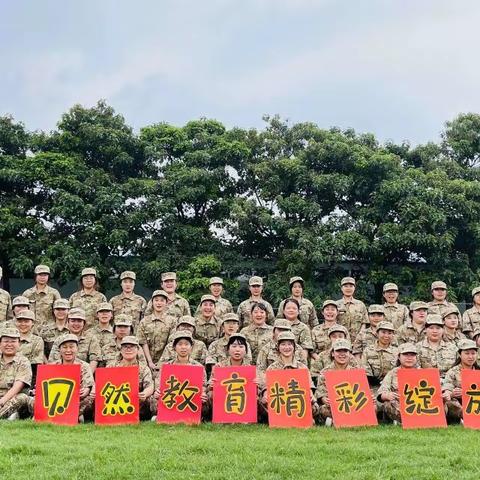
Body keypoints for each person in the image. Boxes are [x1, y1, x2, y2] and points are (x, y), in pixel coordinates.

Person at [150, 330, 208, 420]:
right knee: (154, 399)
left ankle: (195, 416)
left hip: (189, 399)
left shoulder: (198, 367)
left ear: (191, 347)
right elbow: (160, 385)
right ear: (174, 347)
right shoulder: (167, 367)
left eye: (186, 344)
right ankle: (165, 415)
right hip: (173, 400)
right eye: (180, 344)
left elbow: (203, 385)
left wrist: (203, 393)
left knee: (205, 401)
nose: (183, 347)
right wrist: (158, 393)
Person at [261, 331, 317, 419]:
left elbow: (309, 387)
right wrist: (265, 395)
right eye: (283, 344)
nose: (286, 347)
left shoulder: (302, 368)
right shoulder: (272, 368)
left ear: (294, 347)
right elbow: (267, 388)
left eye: (289, 344)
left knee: (314, 407)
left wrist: (311, 396)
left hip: (297, 403)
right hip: (281, 403)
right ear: (278, 347)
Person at [51, 334, 95, 421]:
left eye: (71, 347)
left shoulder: (84, 366)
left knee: (90, 399)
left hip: (77, 399)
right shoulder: (52, 366)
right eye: (64, 347)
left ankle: (74, 415)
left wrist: (85, 391)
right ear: (59, 350)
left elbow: (88, 386)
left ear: (77, 349)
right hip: (56, 400)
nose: (68, 350)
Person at [315, 339, 358, 425]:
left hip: (353, 404)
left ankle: (339, 421)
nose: (342, 354)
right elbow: (321, 392)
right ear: (333, 353)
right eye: (338, 351)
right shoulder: (325, 372)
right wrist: (324, 399)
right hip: (333, 405)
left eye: (345, 351)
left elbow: (361, 392)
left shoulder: (356, 371)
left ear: (349, 354)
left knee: (372, 407)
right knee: (324, 409)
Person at [110, 336, 154, 420]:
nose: (128, 349)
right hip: (115, 401)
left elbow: (150, 386)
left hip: (137, 402)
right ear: (121, 350)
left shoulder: (143, 368)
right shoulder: (112, 366)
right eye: (125, 347)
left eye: (132, 347)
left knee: (150, 399)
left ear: (137, 350)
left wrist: (144, 393)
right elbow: (102, 384)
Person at [48, 307, 101, 373]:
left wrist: (86, 376)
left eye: (79, 321)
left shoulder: (91, 338)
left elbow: (94, 360)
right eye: (73, 321)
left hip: (83, 374)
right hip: (61, 375)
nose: (76, 324)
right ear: (68, 322)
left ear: (84, 323)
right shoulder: (60, 338)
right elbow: (53, 361)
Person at [377, 343, 418, 424]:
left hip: (418, 405)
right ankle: (405, 421)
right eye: (406, 355)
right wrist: (387, 395)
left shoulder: (423, 373)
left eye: (412, 355)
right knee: (388, 404)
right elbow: (381, 392)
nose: (409, 358)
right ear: (399, 357)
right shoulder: (393, 373)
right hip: (399, 404)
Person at [361, 321, 398, 410]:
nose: (386, 336)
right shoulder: (368, 351)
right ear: (377, 333)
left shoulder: (397, 351)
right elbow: (365, 373)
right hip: (374, 386)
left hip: (392, 387)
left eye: (390, 333)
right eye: (383, 332)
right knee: (372, 405)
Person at [442, 339, 480, 424]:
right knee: (450, 403)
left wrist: (466, 392)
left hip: (476, 401)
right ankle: (464, 418)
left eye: (473, 353)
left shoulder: (478, 370)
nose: (470, 357)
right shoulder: (453, 372)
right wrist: (452, 394)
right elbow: (447, 390)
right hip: (459, 403)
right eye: (467, 353)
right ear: (460, 354)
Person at [137, 290, 176, 371]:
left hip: (167, 362)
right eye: (156, 300)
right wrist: (149, 362)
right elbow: (142, 343)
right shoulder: (144, 321)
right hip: (147, 362)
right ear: (152, 302)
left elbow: (171, 343)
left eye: (162, 300)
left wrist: (161, 362)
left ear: (166, 303)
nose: (159, 303)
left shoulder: (172, 321)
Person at [0, 327, 32, 419]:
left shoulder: (23, 362)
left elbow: (18, 386)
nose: (9, 344)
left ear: (19, 343)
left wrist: (2, 401)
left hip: (13, 400)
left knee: (21, 398)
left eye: (13, 341)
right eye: (6, 341)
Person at [416, 314, 457, 378]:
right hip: (426, 382)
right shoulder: (417, 348)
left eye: (438, 328)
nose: (435, 331)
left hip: (448, 383)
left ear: (443, 330)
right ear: (425, 329)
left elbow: (457, 370)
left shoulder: (453, 348)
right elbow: (416, 369)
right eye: (431, 328)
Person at [336, 277, 368, 342]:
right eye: (346, 286)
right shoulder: (336, 305)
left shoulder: (360, 304)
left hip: (358, 340)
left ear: (354, 288)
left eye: (351, 286)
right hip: (340, 341)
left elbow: (364, 323)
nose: (348, 288)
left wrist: (359, 337)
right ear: (341, 288)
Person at [15, 310, 44, 382]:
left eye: (26, 321)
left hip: (27, 378)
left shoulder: (37, 340)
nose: (23, 324)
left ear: (33, 323)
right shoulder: (9, 339)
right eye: (20, 321)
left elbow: (36, 363)